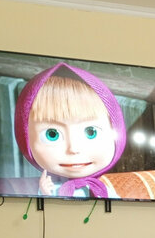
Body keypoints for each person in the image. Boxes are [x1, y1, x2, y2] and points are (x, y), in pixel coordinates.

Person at [14, 62, 126, 198]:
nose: (74, 149)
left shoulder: (102, 189)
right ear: (25, 138)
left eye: (91, 132)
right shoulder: (53, 188)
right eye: (52, 134)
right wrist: (45, 192)